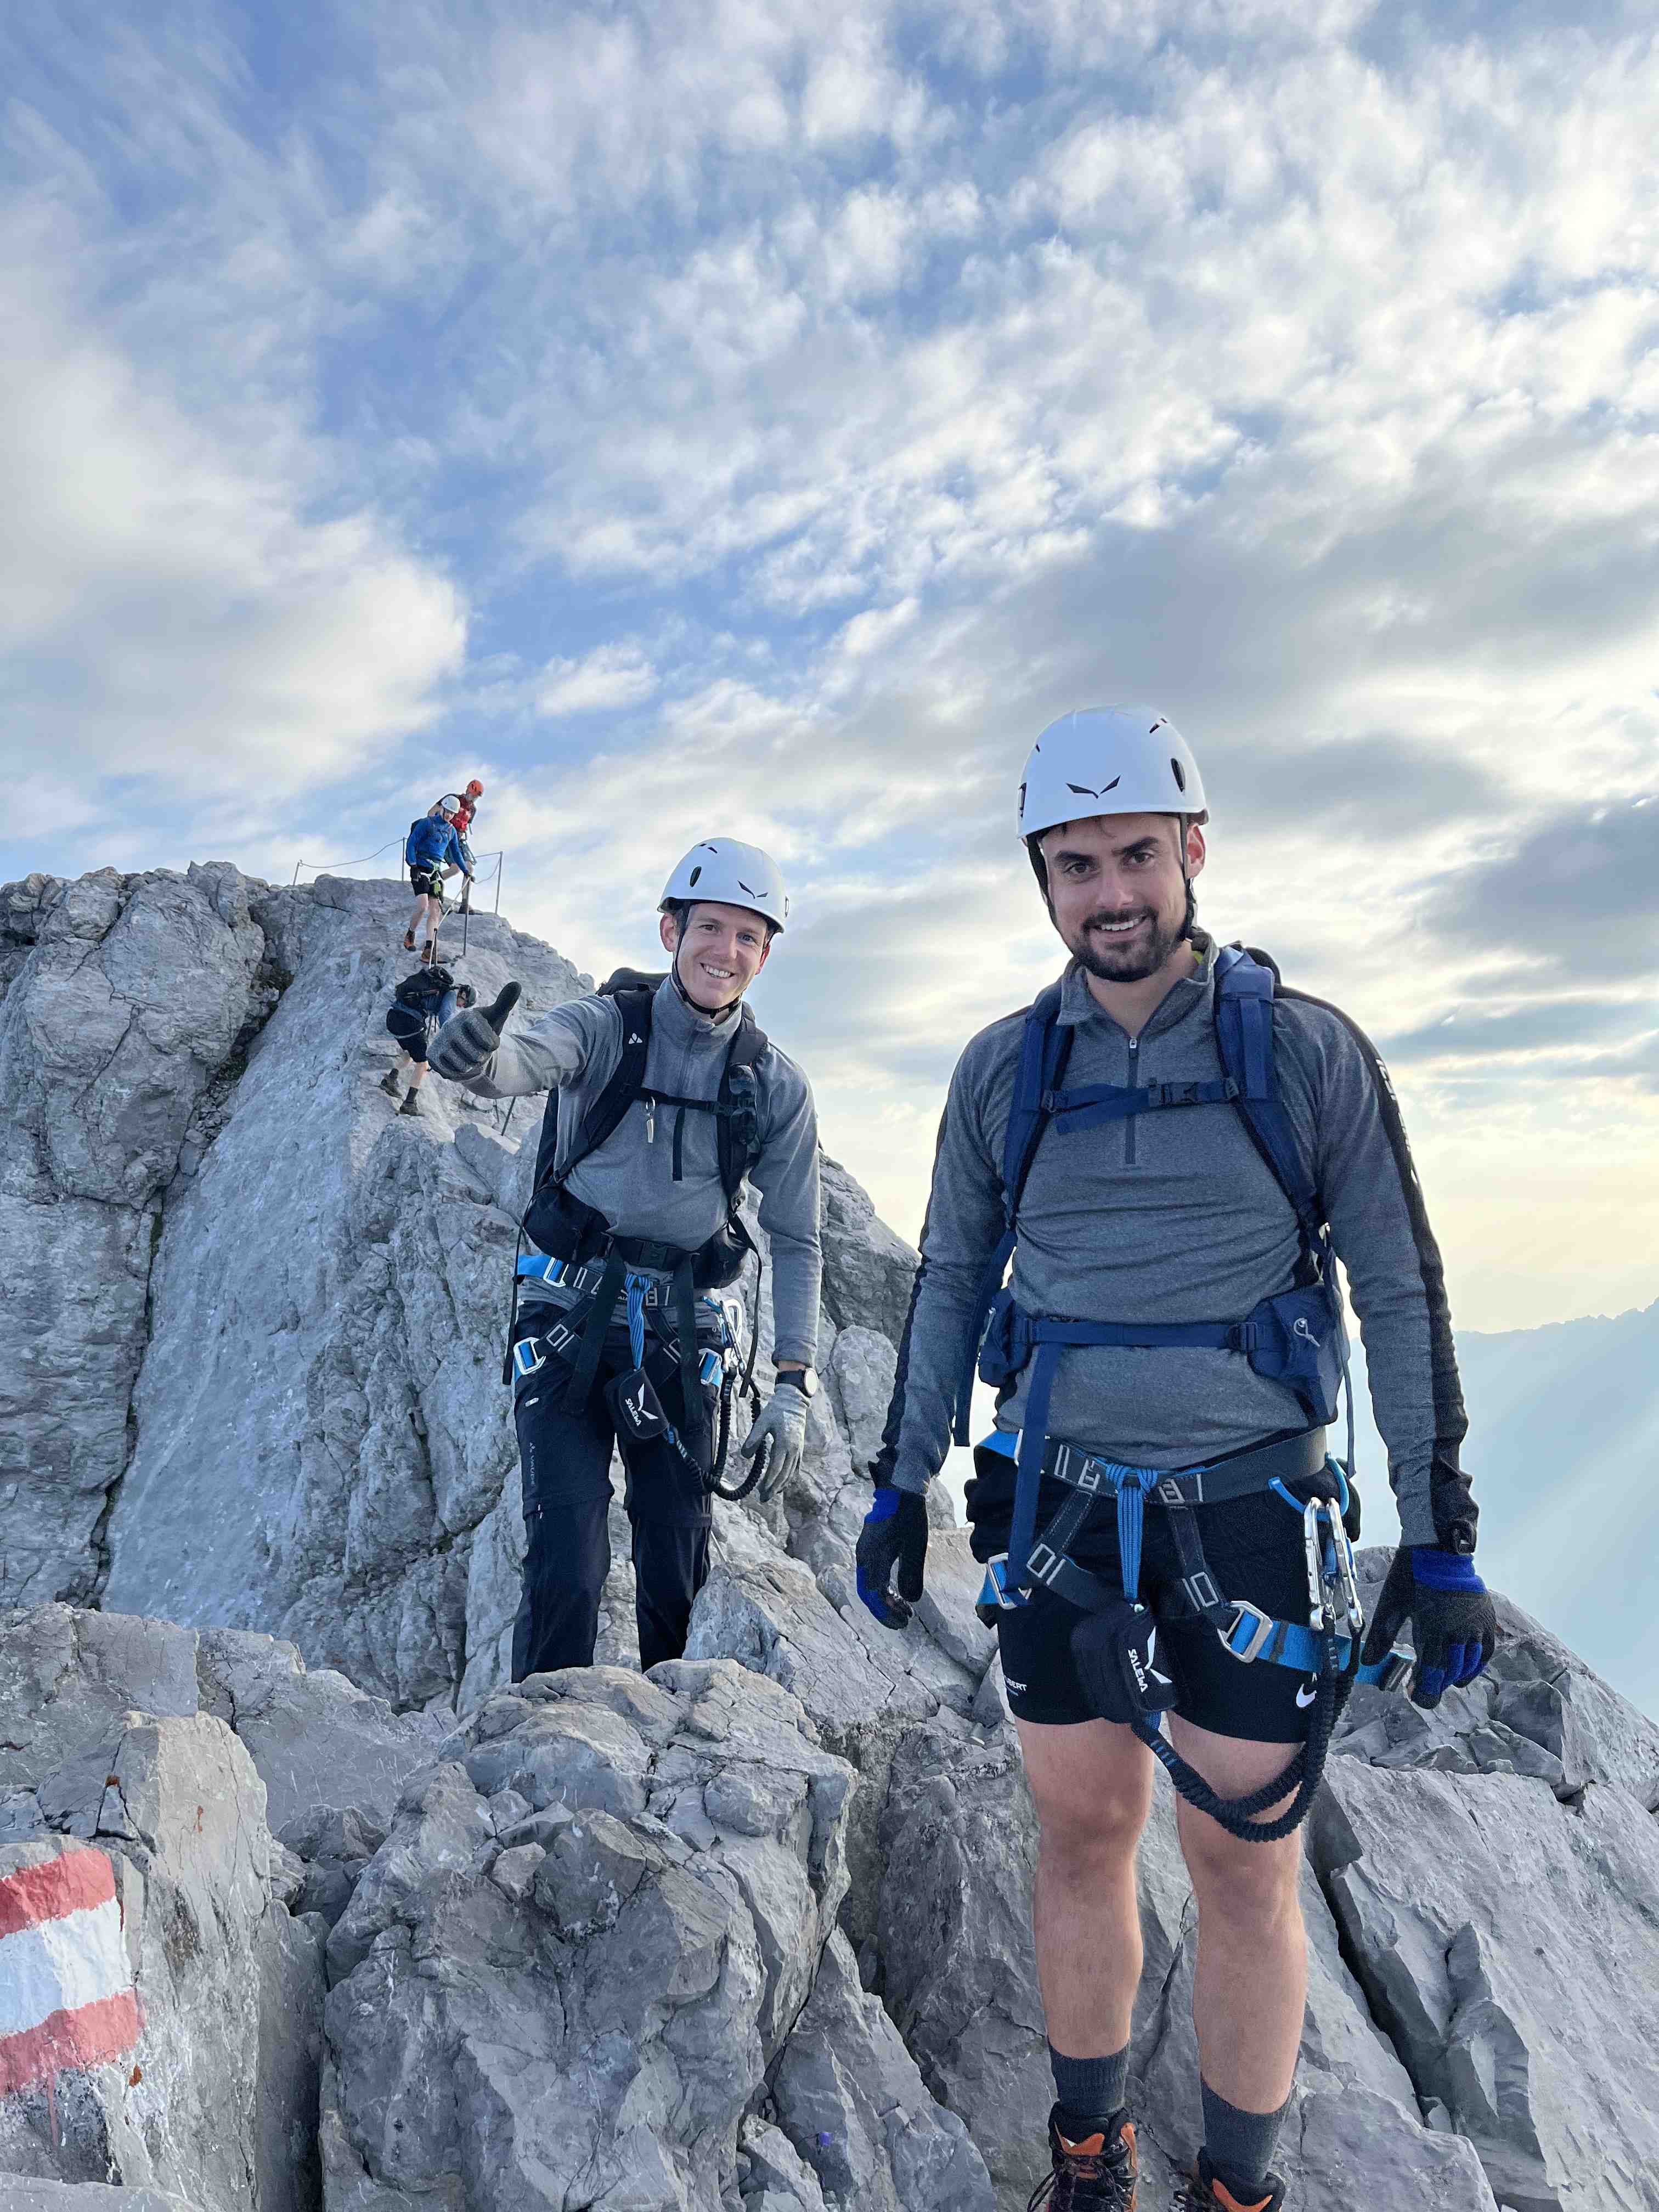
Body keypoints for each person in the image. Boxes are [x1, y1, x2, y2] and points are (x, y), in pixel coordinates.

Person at [856, 708, 1498, 2212]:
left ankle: (1241, 2190)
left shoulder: (1303, 1052)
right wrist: (898, 1485)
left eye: (1137, 854)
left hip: (1254, 1521)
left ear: (1193, 852)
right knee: (1081, 1836)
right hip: (1065, 1514)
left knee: (1244, 1871)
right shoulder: (1005, 1071)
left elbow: (1400, 1286)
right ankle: (1093, 2160)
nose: (1111, 893)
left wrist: (1441, 1533)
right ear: (1043, 880)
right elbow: (951, 1281)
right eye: (1075, 865)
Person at [427, 838, 823, 1678]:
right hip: (568, 1323)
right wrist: (476, 1056)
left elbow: (797, 1239)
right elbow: (524, 1062)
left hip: (682, 1336)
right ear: (669, 931)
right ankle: (533, 1745)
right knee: (567, 1563)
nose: (726, 951)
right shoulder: (604, 1027)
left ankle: (665, 1740)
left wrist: (793, 1385)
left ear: (765, 956)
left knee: (678, 1560)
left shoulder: (774, 1086)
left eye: (749, 937)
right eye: (710, 927)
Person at [381, 966, 477, 1117]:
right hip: (408, 1022)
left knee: (411, 1053)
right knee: (424, 1063)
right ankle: (409, 1104)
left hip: (393, 1018)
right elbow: (445, 1015)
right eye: (463, 1004)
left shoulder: (438, 990)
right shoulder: (451, 994)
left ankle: (390, 1080)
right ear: (463, 994)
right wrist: (451, 1036)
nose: (460, 1006)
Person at [404, 802, 472, 962]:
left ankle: (429, 950)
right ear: (442, 809)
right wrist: (413, 865)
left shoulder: (451, 831)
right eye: (447, 811)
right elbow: (412, 843)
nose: (449, 815)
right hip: (421, 867)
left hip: (436, 872)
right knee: (423, 907)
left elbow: (456, 853)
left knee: (435, 912)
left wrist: (466, 870)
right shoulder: (427, 823)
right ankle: (410, 934)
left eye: (452, 814)